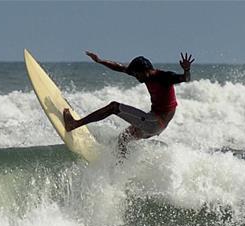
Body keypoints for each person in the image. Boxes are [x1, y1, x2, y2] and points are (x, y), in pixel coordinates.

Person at [64, 51, 194, 153]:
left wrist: (186, 70)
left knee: (114, 107)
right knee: (123, 139)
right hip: (155, 124)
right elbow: (120, 68)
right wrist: (100, 61)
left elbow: (185, 79)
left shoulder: (164, 77)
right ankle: (118, 171)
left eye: (138, 75)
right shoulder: (145, 74)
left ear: (146, 71)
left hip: (155, 122)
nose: (136, 78)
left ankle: (74, 124)